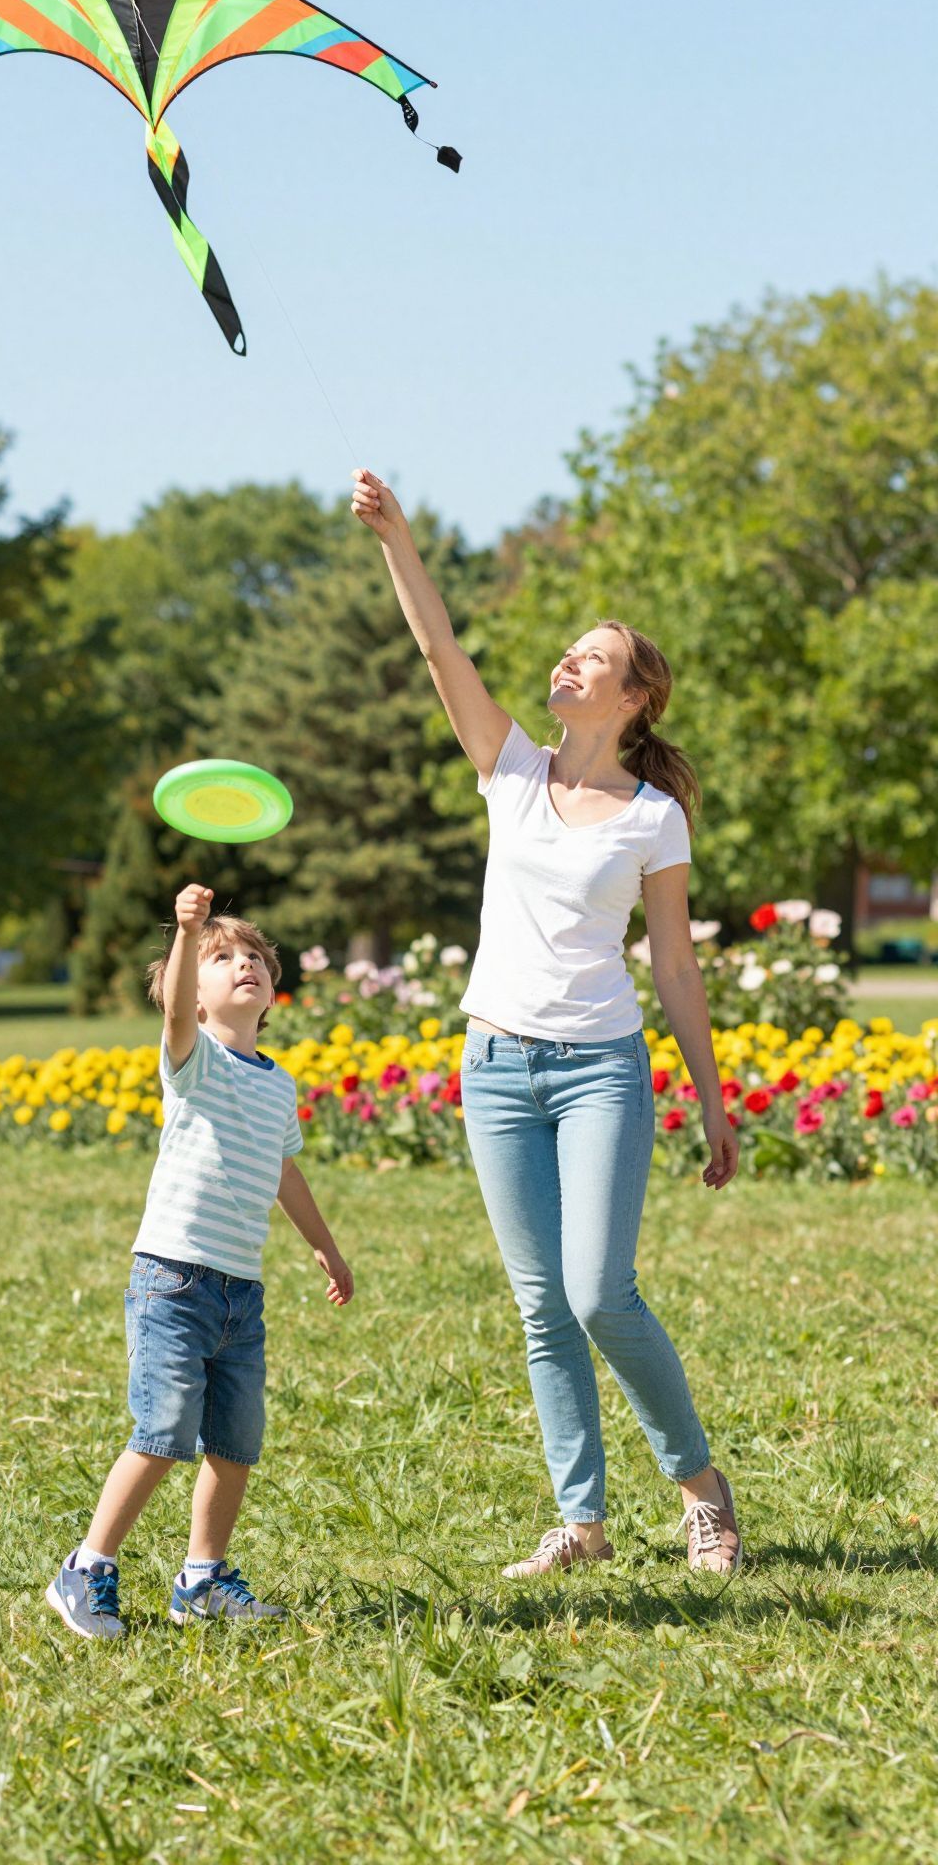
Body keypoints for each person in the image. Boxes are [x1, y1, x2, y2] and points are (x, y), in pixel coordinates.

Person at [351, 469, 741, 1578]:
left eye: (593, 659)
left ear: (631, 699)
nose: (567, 663)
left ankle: (701, 1490)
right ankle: (581, 1521)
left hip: (599, 1071)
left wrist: (712, 1100)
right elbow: (442, 656)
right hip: (494, 1063)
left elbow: (672, 961)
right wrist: (399, 539)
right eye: (567, 652)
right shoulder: (511, 771)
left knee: (596, 1290)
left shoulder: (653, 817)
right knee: (538, 1305)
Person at [46, 883, 354, 1639]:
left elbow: (286, 1172)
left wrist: (324, 1244)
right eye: (224, 958)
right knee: (163, 1430)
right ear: (198, 993)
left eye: (254, 956)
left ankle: (203, 1579)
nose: (244, 963)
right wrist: (187, 935)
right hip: (173, 1278)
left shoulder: (276, 1084)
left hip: (239, 1291)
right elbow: (177, 1011)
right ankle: (85, 1569)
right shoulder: (196, 1060)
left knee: (235, 1442)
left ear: (272, 989)